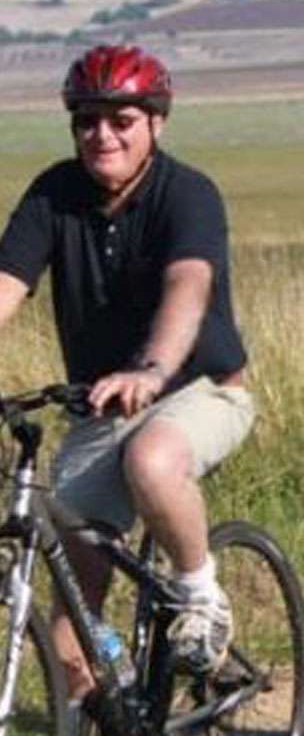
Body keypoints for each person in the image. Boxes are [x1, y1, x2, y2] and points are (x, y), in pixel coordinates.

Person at [0, 45, 253, 701]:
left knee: (153, 458)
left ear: (156, 123)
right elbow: (6, 285)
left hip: (201, 390)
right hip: (101, 408)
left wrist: (151, 367)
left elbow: (188, 287)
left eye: (122, 120)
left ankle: (200, 592)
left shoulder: (187, 193)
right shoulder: (54, 195)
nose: (102, 135)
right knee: (69, 647)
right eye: (87, 121)